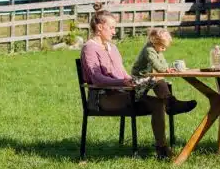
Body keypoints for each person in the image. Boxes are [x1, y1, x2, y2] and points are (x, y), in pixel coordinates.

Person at [80, 12, 193, 159]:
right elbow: (97, 79)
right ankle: (171, 104)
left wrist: (131, 80)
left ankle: (162, 148)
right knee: (155, 84)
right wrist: (122, 82)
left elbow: (122, 73)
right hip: (104, 98)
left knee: (158, 97)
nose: (115, 31)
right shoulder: (89, 48)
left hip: (125, 93)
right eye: (112, 27)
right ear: (100, 27)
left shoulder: (112, 48)